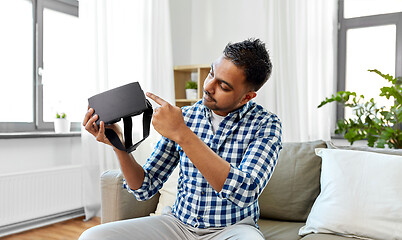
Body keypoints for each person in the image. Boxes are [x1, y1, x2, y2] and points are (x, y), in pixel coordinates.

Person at [80, 38, 282, 240]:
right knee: (92, 237)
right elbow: (145, 187)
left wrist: (182, 133)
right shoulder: (185, 116)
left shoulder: (266, 125)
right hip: (178, 225)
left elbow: (245, 191)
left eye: (224, 86)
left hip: (233, 229)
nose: (209, 87)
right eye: (212, 73)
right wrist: (119, 145)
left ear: (247, 97)